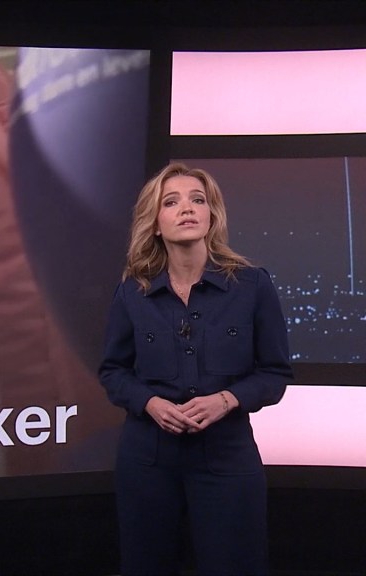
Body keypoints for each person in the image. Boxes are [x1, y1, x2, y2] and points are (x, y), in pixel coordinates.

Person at [98, 162, 292, 575]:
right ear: (155, 223)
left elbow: (275, 374)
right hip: (148, 461)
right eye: (171, 202)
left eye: (197, 200)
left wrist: (227, 400)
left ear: (211, 215)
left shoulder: (252, 286)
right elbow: (113, 371)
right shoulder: (133, 291)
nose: (187, 208)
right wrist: (149, 403)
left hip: (227, 457)